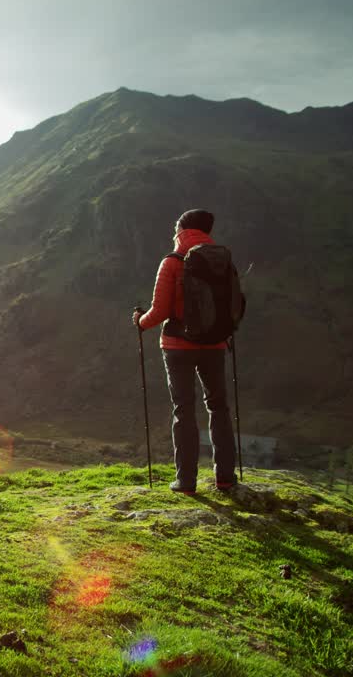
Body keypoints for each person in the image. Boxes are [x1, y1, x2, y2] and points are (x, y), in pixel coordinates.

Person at [132, 209, 236, 495]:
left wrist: (141, 321)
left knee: (184, 409)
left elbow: (161, 310)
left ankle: (186, 481)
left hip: (178, 346)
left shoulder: (173, 261)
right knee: (219, 407)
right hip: (215, 343)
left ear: (181, 228)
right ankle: (225, 478)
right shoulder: (221, 260)